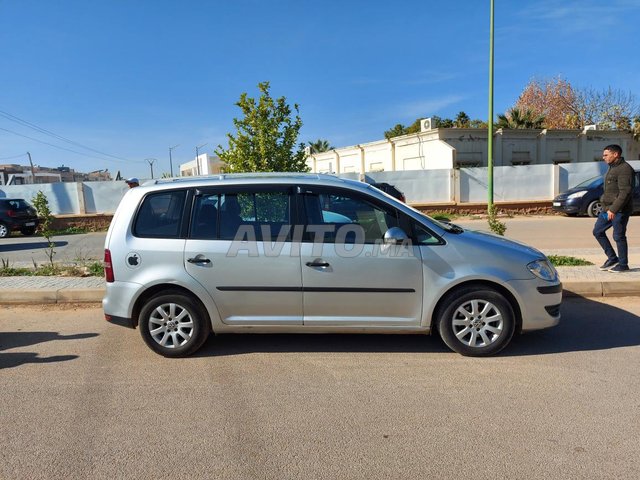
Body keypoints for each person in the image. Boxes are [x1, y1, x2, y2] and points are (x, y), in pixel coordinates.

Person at [593, 144, 634, 272]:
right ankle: (612, 258)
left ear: (615, 154)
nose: (603, 157)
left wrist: (613, 209)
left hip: (619, 210)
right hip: (607, 209)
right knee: (598, 231)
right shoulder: (612, 167)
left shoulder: (625, 169)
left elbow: (625, 192)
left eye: (606, 155)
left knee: (618, 236)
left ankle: (623, 264)